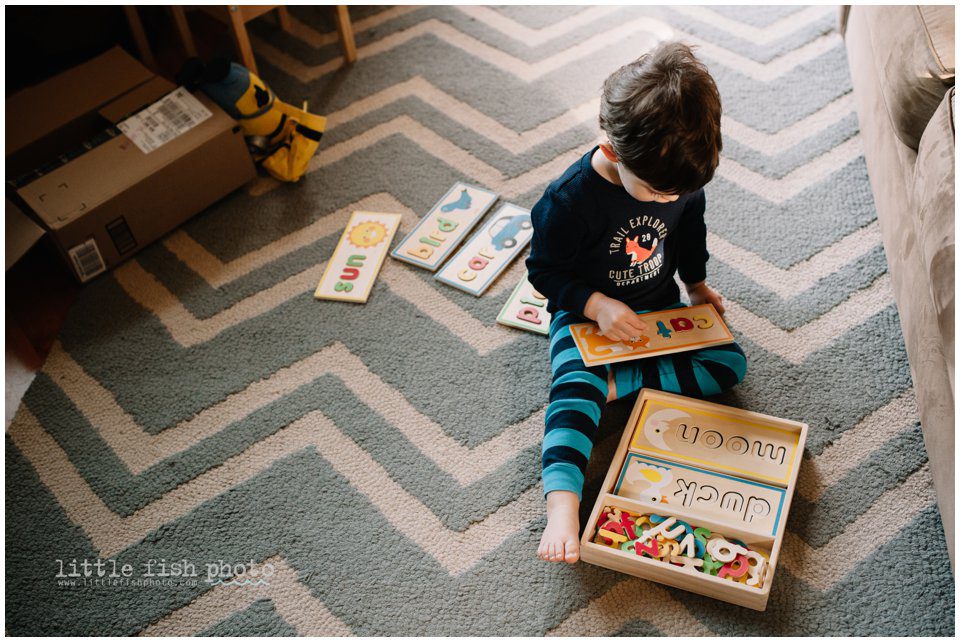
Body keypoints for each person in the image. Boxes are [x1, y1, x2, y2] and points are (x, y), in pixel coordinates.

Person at [525, 42, 748, 564]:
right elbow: (544, 272)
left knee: (728, 363)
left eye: (677, 193)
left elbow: (690, 231)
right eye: (654, 193)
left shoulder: (678, 180)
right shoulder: (568, 201)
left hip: (659, 309)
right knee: (573, 392)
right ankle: (562, 504)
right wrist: (597, 305)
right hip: (587, 317)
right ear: (613, 151)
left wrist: (695, 287)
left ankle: (619, 383)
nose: (668, 201)